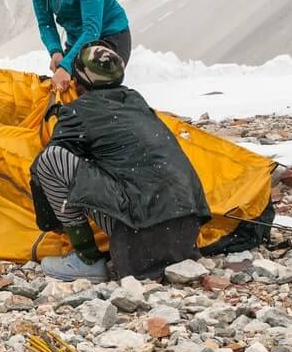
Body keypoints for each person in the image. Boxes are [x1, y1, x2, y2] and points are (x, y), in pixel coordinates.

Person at [30, 40, 210, 282]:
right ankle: (163, 250)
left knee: (50, 160)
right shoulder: (136, 101)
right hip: (187, 233)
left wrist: (51, 224)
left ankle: (87, 260)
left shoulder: (77, 111)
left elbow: (46, 170)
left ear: (80, 79)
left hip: (140, 241)